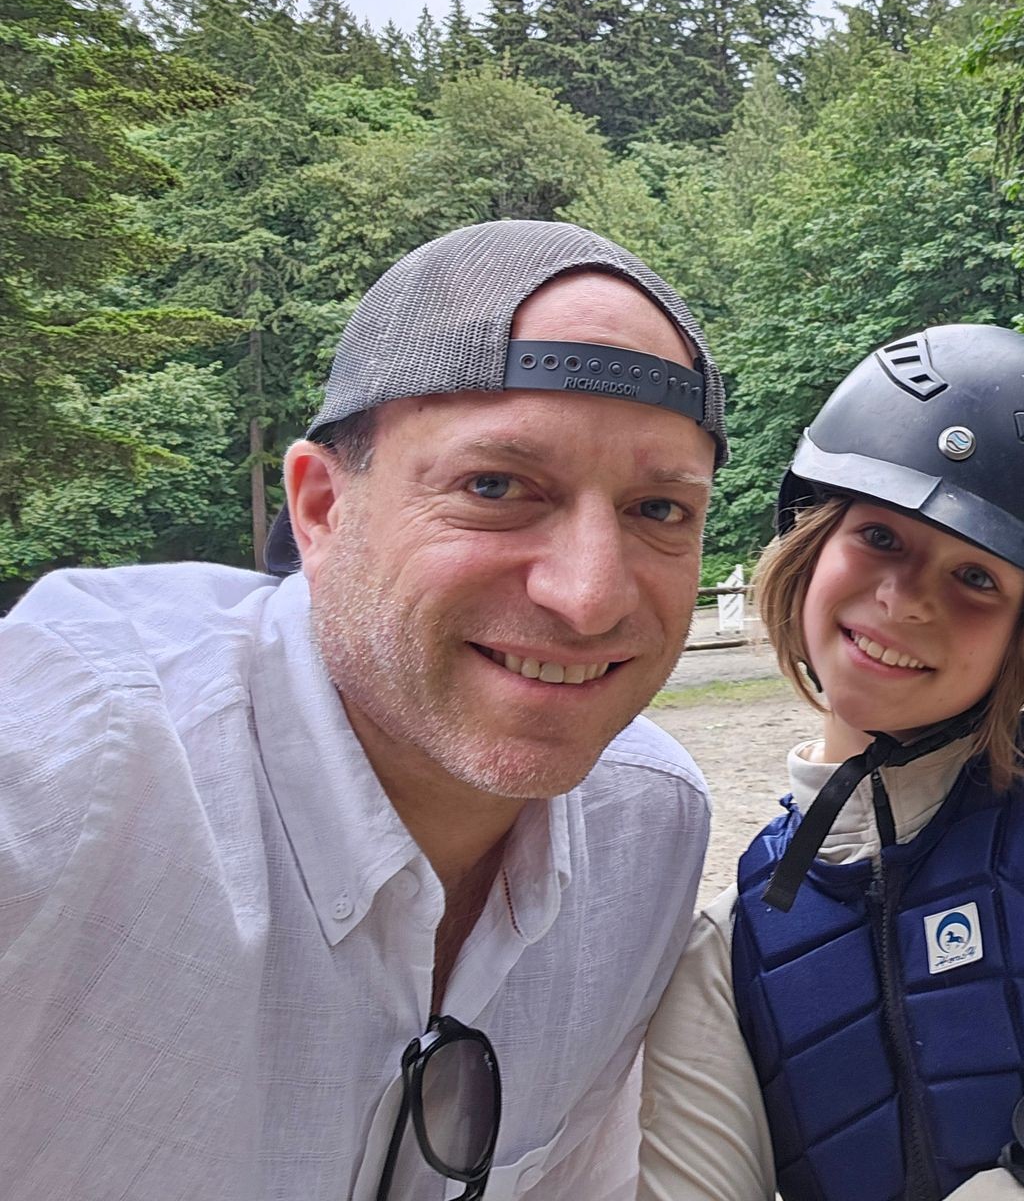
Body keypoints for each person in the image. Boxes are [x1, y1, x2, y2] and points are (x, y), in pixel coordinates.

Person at [0, 220, 726, 1200]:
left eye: (658, 511)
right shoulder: (75, 760)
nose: (591, 596)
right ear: (321, 512)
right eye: (497, 485)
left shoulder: (650, 826)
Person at [635, 325, 1024, 1201]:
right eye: (881, 538)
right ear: (813, 542)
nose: (904, 601)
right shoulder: (730, 947)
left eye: (977, 578)